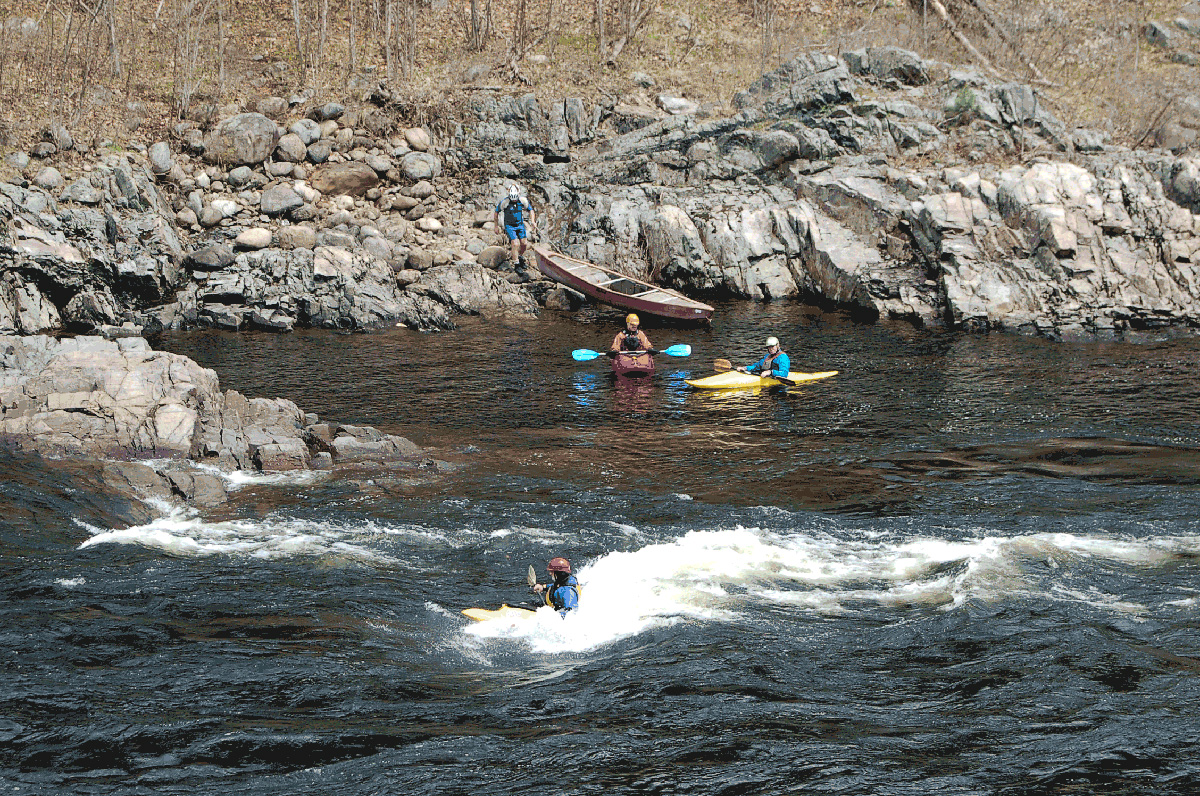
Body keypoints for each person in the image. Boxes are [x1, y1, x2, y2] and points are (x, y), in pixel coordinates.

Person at [493, 184, 537, 267]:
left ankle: (519, 257)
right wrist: (496, 226)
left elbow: (531, 210)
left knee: (524, 243)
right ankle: (516, 264)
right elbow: (496, 212)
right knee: (515, 243)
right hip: (509, 226)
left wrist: (533, 221)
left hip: (519, 224)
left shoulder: (523, 200)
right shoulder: (505, 202)